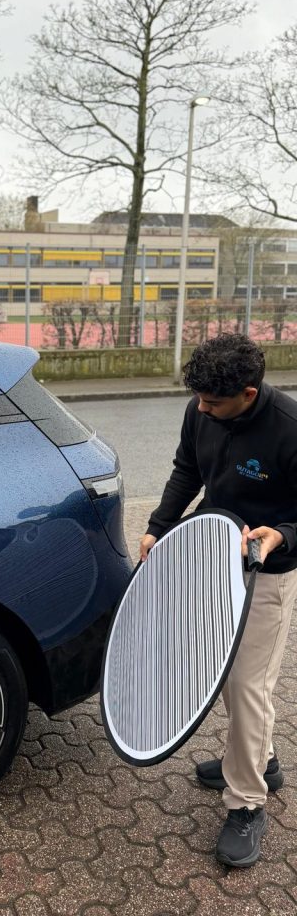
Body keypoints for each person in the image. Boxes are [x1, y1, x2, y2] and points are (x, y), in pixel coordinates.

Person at [140, 332, 297, 869]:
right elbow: (187, 470)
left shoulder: (290, 430)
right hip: (212, 561)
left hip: (268, 573)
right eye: (199, 400)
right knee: (224, 676)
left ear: (248, 395)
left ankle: (248, 803)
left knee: (249, 686)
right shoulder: (199, 410)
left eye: (213, 403)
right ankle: (260, 763)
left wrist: (280, 536)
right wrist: (159, 527)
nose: (201, 409)